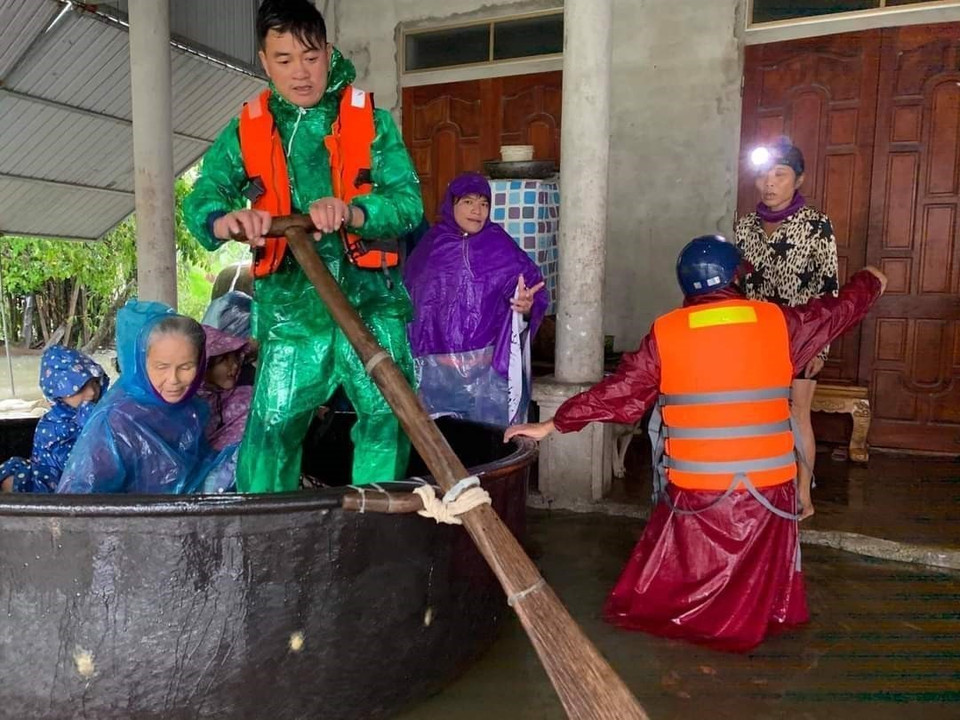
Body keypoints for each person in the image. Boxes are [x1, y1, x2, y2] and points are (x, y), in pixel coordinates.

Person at [505, 236, 887, 652]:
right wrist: (870, 280)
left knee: (680, 582)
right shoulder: (778, 322)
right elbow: (840, 311)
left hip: (696, 489)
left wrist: (552, 425)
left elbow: (619, 393)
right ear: (736, 277)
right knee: (758, 590)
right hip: (768, 490)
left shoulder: (667, 332)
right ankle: (756, 623)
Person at [184, 0, 422, 492]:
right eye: (285, 59)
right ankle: (264, 532)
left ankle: (372, 533)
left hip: (370, 301)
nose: (300, 73)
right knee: (272, 424)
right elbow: (204, 196)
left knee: (387, 415)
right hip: (292, 310)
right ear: (265, 60)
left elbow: (408, 202)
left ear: (328, 52)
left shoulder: (369, 119)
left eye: (310, 57)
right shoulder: (247, 128)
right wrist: (225, 219)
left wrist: (355, 212)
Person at [734, 137, 839, 520]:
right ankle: (761, 488)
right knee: (756, 414)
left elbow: (828, 290)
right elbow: (738, 287)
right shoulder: (744, 227)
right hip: (755, 339)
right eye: (764, 174)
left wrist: (819, 347)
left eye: (780, 174)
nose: (770, 182)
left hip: (801, 339)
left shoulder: (816, 225)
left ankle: (801, 495)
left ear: (799, 179)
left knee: (797, 413)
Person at [404, 172, 547, 426]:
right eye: (468, 202)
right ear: (452, 204)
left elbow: (532, 291)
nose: (477, 211)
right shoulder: (430, 249)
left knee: (490, 450)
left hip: (488, 379)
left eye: (484, 203)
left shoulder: (500, 246)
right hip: (435, 377)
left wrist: (526, 308)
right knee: (438, 448)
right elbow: (410, 307)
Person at [57, 300, 230, 494]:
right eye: (161, 367)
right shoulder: (115, 422)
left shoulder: (192, 408)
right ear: (140, 364)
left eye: (186, 367)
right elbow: (79, 500)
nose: (173, 379)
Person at [0, 346, 108, 493]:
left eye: (94, 382)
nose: (91, 392)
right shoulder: (50, 425)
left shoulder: (105, 412)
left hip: (89, 479)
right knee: (12, 474)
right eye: (79, 389)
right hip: (55, 479)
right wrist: (87, 422)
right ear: (58, 396)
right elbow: (72, 464)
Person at [198, 325, 254, 451]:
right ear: (204, 368)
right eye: (223, 360)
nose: (234, 365)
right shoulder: (193, 403)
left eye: (234, 357)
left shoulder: (237, 391)